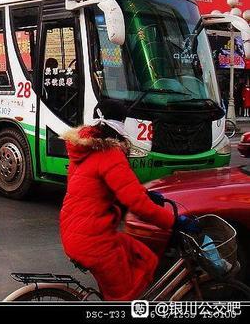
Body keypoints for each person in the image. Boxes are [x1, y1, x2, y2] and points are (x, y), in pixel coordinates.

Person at [59, 99, 199, 300]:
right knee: (125, 296)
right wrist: (174, 222)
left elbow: (115, 188)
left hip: (76, 233)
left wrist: (146, 195)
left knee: (143, 256)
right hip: (93, 240)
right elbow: (136, 204)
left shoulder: (84, 151)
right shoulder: (110, 154)